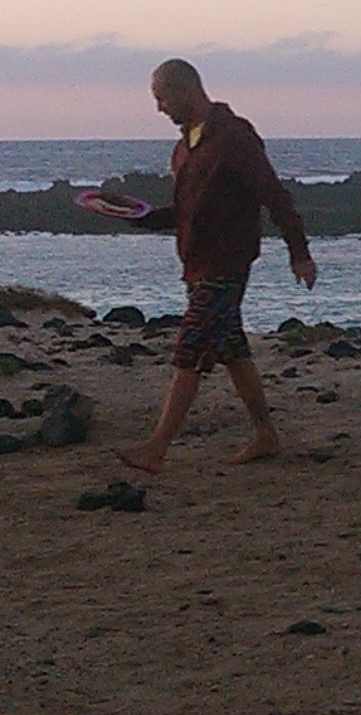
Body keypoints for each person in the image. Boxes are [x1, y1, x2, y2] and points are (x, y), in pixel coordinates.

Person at [111, 58, 317, 471]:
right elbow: (186, 213)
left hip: (227, 264)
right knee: (232, 350)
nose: (159, 108)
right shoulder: (183, 149)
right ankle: (266, 435)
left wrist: (299, 252)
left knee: (189, 349)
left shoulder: (233, 137)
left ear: (186, 90)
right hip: (197, 263)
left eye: (162, 98)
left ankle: (156, 448)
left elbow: (274, 196)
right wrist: (139, 216)